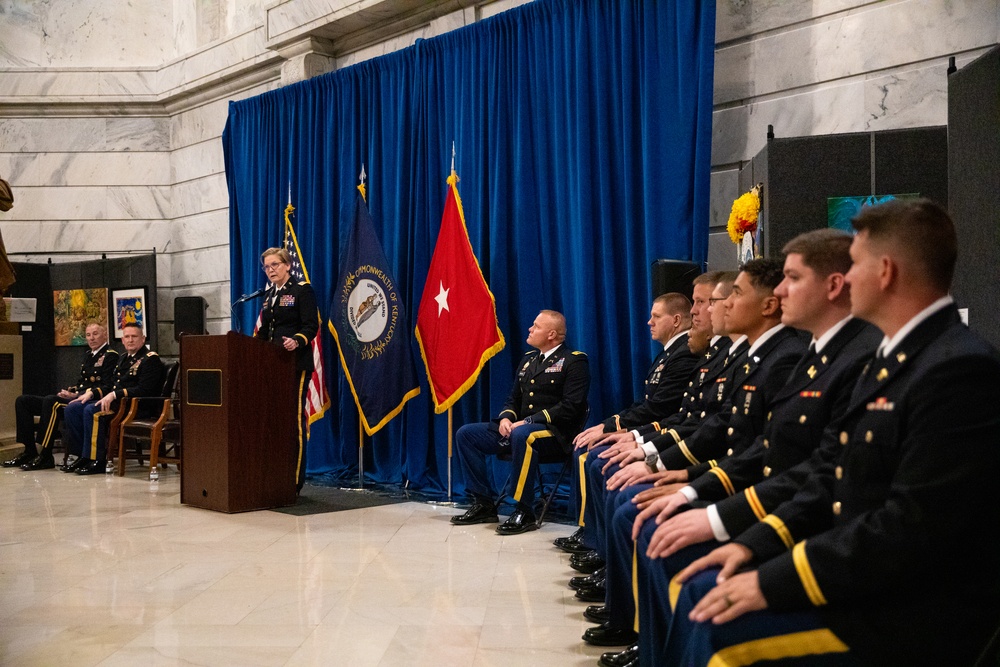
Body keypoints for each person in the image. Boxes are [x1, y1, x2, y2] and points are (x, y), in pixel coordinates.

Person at [670, 199, 1000, 666]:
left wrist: (776, 578)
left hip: (907, 614)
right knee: (708, 589)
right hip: (861, 577)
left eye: (856, 265)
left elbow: (911, 526)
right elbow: (831, 471)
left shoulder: (958, 368)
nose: (847, 279)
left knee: (722, 632)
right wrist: (752, 544)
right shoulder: (893, 355)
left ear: (885, 272)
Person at [625, 228, 881, 666]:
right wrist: (698, 495)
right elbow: (787, 455)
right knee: (665, 541)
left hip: (863, 583)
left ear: (882, 274)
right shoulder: (820, 356)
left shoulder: (883, 360)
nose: (782, 290)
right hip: (793, 518)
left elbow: (870, 501)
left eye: (793, 278)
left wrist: (749, 541)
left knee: (708, 602)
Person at [451, 309, 590, 535]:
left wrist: (528, 421)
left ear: (552, 334)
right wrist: (507, 417)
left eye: (536, 326)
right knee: (466, 433)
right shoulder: (528, 361)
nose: (530, 329)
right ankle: (483, 503)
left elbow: (571, 406)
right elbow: (513, 399)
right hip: (519, 430)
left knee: (522, 435)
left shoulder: (575, 361)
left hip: (554, 434)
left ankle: (524, 510)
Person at [3, 323, 118, 471]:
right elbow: (82, 383)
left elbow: (106, 385)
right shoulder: (89, 355)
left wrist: (79, 395)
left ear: (105, 335)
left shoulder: (110, 355)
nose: (91, 338)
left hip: (89, 401)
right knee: (23, 401)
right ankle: (29, 450)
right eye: (88, 335)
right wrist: (72, 392)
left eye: (95, 334)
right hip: (78, 397)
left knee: (52, 402)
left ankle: (45, 454)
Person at [62, 323, 165, 475]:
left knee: (92, 411)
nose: (130, 340)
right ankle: (81, 455)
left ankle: (97, 460)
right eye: (127, 337)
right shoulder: (124, 358)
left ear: (142, 339)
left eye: (134, 336)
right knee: (74, 408)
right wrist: (92, 393)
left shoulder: (150, 359)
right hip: (117, 404)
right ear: (122, 340)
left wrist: (115, 394)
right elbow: (111, 385)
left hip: (135, 407)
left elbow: (144, 390)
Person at [254, 247, 318, 493]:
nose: (271, 270)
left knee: (294, 421)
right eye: (267, 267)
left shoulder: (302, 291)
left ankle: (294, 480)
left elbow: (311, 325)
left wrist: (297, 340)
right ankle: (275, 475)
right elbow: (264, 333)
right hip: (273, 366)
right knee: (275, 421)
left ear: (287, 265)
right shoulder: (269, 296)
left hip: (295, 364)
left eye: (275, 265)